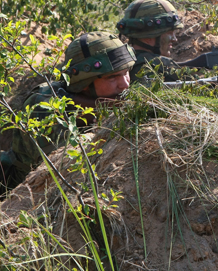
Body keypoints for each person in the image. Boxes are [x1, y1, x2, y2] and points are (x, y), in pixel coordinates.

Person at [0, 31, 136, 194]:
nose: (125, 84)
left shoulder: (113, 96)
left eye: (126, 72)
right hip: (17, 191)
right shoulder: (44, 105)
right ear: (84, 83)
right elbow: (65, 168)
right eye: (112, 77)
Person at [116, 0, 184, 83]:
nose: (175, 39)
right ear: (148, 37)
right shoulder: (155, 67)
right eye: (169, 33)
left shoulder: (121, 63)